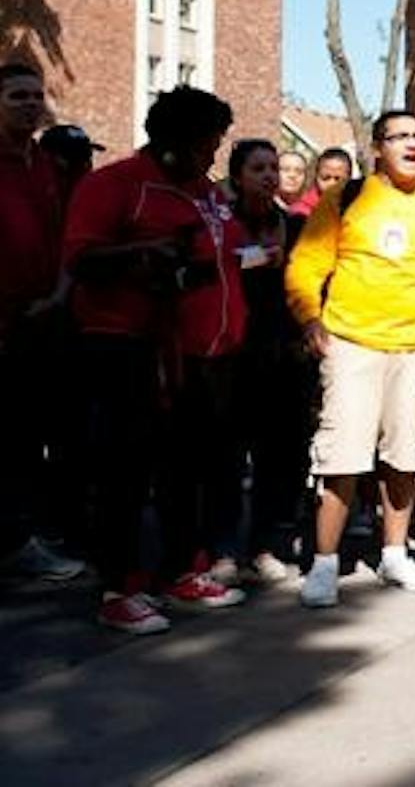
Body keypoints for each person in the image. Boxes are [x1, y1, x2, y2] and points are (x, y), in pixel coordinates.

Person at [286, 109, 415, 608]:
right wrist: (310, 317)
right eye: (399, 137)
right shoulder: (347, 197)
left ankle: (395, 554)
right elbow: (306, 265)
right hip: (352, 343)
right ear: (378, 147)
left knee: (404, 452)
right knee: (342, 456)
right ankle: (325, 563)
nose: (411, 145)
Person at [65, 86, 249, 633]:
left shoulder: (206, 191)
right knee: (125, 469)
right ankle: (118, 588)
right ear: (174, 141)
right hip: (123, 343)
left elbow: (216, 255)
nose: (213, 156)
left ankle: (180, 572)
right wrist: (145, 254)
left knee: (184, 470)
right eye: (206, 145)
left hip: (197, 351)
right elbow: (80, 258)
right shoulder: (115, 184)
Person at [0, 63, 86, 584]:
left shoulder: (44, 165)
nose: (30, 104)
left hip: (42, 320)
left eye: (36, 96)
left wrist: (58, 295)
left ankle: (19, 540)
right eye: (17, 96)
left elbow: (63, 239)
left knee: (26, 438)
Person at [225, 138, 311, 582]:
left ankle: (261, 546)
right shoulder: (223, 221)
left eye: (273, 167)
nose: (269, 175)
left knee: (279, 459)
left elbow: (315, 282)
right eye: (258, 167)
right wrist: (256, 260)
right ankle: (221, 550)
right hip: (233, 354)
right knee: (227, 455)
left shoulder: (296, 227)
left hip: (286, 357)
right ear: (237, 175)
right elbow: (214, 267)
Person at [289, 147, 354, 218]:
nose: (332, 184)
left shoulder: (357, 208)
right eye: (325, 178)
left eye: (338, 179)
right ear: (316, 176)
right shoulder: (301, 212)